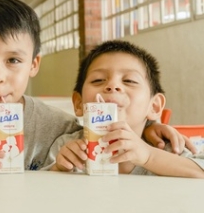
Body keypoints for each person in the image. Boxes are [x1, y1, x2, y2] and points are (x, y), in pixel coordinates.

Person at [0, 0, 193, 173]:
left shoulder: (58, 126)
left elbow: (97, 134)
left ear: (34, 64)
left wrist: (148, 128)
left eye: (13, 61)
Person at [48, 40, 204, 177]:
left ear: (154, 106)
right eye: (98, 80)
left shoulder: (168, 148)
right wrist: (59, 169)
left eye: (129, 80)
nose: (112, 86)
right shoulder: (67, 147)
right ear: (78, 103)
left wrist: (149, 156)